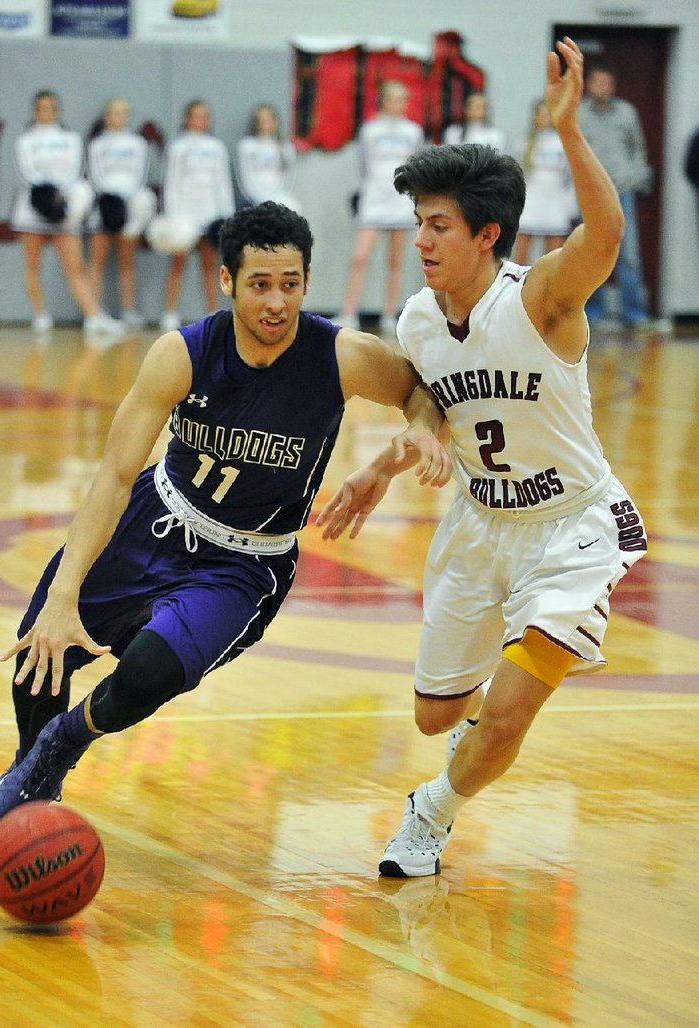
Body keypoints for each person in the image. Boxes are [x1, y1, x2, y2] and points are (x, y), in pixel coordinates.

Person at [0, 200, 451, 830]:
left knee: (146, 673)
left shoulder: (340, 355)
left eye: (291, 284)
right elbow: (113, 476)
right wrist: (63, 591)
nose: (277, 302)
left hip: (245, 562)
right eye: (260, 285)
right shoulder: (182, 353)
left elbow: (420, 390)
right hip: (155, 516)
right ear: (226, 281)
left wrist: (413, 440)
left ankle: (60, 748)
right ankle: (30, 784)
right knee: (40, 654)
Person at [317, 38, 648, 877]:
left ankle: (431, 815)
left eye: (438, 226)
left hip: (572, 525)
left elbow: (604, 234)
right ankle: (466, 743)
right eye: (417, 223)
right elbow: (434, 399)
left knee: (505, 715)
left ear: (486, 233)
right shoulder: (419, 320)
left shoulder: (539, 298)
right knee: (438, 716)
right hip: (479, 524)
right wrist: (391, 459)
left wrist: (568, 134)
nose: (421, 240)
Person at [11, 90, 124, 341]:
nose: (47, 111)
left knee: (76, 266)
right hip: (33, 209)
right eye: (42, 107)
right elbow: (25, 172)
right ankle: (40, 315)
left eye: (52, 106)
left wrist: (63, 199)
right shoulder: (25, 140)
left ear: (57, 109)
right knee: (32, 265)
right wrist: (44, 196)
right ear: (35, 111)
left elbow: (76, 170)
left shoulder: (71, 139)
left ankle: (94, 316)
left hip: (63, 210)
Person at [335, 81, 424, 336]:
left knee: (395, 262)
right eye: (394, 98)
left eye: (403, 99)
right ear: (383, 100)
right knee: (359, 258)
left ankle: (388, 314)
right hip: (374, 200)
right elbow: (362, 165)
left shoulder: (413, 131)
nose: (399, 103)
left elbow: (415, 165)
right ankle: (349, 313)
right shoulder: (370, 130)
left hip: (401, 201)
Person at [579, 63, 654, 331]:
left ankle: (635, 314)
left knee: (628, 254)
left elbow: (638, 149)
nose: (603, 88)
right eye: (598, 82)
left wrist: (636, 176)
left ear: (613, 86)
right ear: (588, 85)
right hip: (589, 193)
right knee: (590, 253)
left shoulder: (626, 113)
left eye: (607, 83)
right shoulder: (579, 114)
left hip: (621, 191)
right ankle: (592, 313)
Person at [159, 99, 235, 332]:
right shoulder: (178, 147)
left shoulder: (216, 147)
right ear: (187, 118)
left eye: (204, 116)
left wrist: (227, 216)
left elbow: (223, 182)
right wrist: (174, 216)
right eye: (195, 116)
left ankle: (212, 311)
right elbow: (171, 183)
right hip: (185, 214)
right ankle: (170, 312)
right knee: (178, 263)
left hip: (210, 214)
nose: (200, 120)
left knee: (210, 263)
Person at [85, 98, 157, 330]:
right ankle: (93, 313)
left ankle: (129, 311)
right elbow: (94, 175)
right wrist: (109, 198)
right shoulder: (97, 144)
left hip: (129, 207)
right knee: (97, 262)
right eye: (114, 113)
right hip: (104, 206)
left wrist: (126, 200)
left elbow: (140, 175)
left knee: (127, 263)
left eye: (123, 113)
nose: (119, 117)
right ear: (107, 116)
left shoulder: (138, 144)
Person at [513, 98, 575, 265]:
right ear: (535, 117)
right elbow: (517, 175)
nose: (545, 118)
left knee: (554, 257)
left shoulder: (564, 143)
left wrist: (569, 206)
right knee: (521, 256)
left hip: (555, 201)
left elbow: (569, 178)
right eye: (541, 114)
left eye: (548, 115)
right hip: (530, 201)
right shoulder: (523, 143)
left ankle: (549, 291)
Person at [234, 103, 297, 208]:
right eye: (261, 120)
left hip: (280, 200)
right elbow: (244, 180)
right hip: (253, 201)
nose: (265, 123)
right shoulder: (246, 146)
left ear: (276, 121)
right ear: (255, 123)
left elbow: (289, 178)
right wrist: (259, 200)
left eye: (269, 119)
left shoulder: (286, 148)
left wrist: (277, 199)